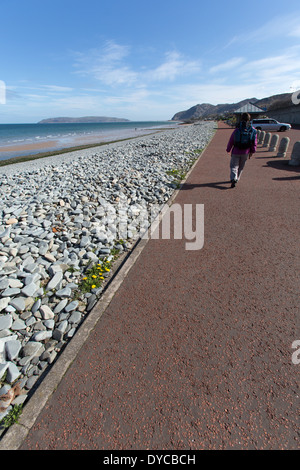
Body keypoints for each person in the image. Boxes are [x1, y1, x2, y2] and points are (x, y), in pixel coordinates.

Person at [226, 112, 257, 188]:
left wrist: (228, 149)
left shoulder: (237, 129)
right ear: (249, 119)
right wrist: (253, 151)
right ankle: (237, 178)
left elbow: (231, 140)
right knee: (241, 166)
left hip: (236, 151)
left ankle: (234, 178)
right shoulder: (252, 130)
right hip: (246, 152)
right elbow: (254, 142)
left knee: (233, 166)